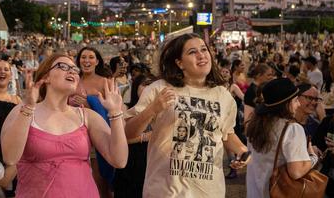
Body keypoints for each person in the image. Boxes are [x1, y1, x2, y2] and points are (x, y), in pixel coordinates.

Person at [124, 33, 248, 198]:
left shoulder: (223, 96)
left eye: (204, 49)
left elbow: (226, 134)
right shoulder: (159, 88)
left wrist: (242, 152)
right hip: (166, 191)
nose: (201, 55)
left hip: (210, 191)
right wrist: (153, 109)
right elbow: (127, 133)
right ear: (179, 63)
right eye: (192, 52)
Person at [1, 53, 128, 197]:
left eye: (75, 69)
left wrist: (115, 113)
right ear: (46, 77)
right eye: (63, 66)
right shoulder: (22, 111)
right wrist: (28, 108)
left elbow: (119, 160)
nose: (72, 71)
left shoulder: (87, 116)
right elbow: (10, 157)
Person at [245, 78, 317, 198]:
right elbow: (296, 171)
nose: (298, 104)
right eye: (295, 101)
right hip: (275, 193)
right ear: (286, 104)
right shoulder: (293, 129)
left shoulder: (255, 125)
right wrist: (313, 157)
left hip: (254, 192)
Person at [72, 46, 115, 197]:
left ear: (97, 61)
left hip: (98, 138)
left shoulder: (105, 83)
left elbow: (114, 111)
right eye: (83, 57)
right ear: (79, 61)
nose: (87, 60)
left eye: (91, 57)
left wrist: (90, 105)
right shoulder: (73, 81)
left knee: (100, 182)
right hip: (76, 136)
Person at [113, 68, 153, 198]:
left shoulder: (163, 109)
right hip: (131, 160)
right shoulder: (126, 108)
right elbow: (120, 138)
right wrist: (145, 137)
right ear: (136, 87)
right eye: (145, 84)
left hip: (152, 161)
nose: (149, 87)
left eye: (152, 84)